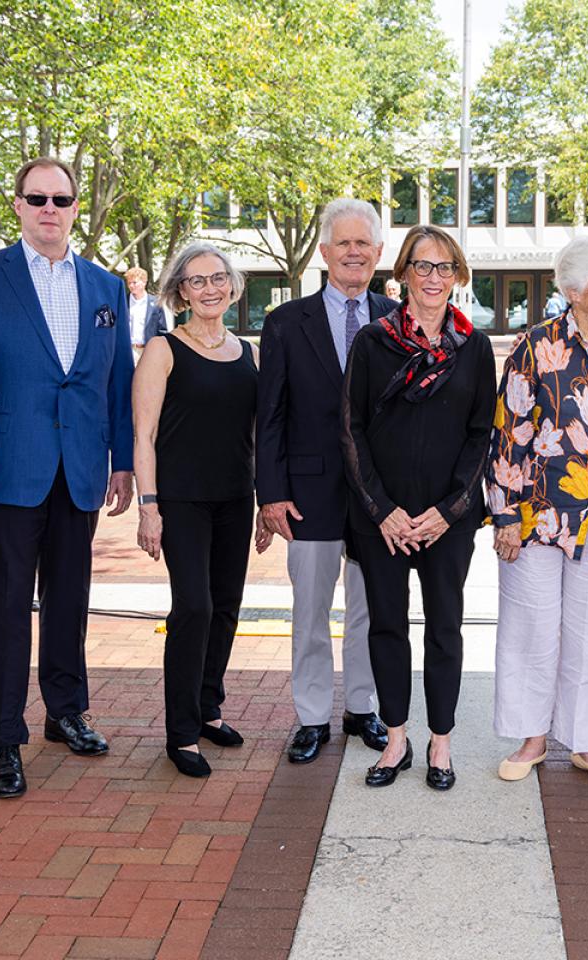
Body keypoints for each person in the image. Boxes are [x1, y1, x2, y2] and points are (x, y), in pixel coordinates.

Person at [0, 156, 135, 799]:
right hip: (8, 470)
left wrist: (125, 462)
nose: (49, 209)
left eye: (61, 199)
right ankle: (3, 738)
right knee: (4, 609)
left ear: (76, 207)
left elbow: (118, 382)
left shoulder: (107, 288)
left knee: (69, 602)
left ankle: (65, 710)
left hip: (81, 468)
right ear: (19, 206)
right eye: (37, 198)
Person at [488, 235, 588, 790]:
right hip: (538, 516)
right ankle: (532, 738)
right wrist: (505, 514)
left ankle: (586, 743)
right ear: (572, 290)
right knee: (532, 629)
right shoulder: (535, 346)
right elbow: (510, 432)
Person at [342, 224, 495, 790]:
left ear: (458, 277)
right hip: (380, 517)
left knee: (445, 628)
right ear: (403, 273)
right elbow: (351, 429)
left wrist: (449, 511)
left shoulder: (474, 348)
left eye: (445, 267)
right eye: (423, 266)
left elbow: (483, 436)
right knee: (385, 626)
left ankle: (441, 742)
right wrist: (381, 509)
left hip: (446, 521)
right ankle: (398, 738)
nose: (434, 278)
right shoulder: (373, 342)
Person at [257, 199, 392, 765]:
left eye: (364, 243)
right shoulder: (287, 322)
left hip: (378, 499)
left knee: (371, 608)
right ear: (324, 252)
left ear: (379, 253)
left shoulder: (398, 318)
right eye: (344, 243)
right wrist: (272, 493)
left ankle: (363, 707)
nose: (354, 252)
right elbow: (271, 415)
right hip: (308, 493)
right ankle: (311, 716)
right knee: (310, 610)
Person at [134, 243, 260, 778]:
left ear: (231, 286)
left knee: (228, 606)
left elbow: (255, 433)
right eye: (196, 281)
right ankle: (181, 732)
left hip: (236, 497)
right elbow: (143, 435)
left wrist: (265, 500)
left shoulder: (248, 351)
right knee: (195, 609)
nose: (209, 288)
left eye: (218, 278)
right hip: (181, 500)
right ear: (180, 291)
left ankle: (209, 708)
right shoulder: (164, 349)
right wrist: (148, 506)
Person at [126, 266, 168, 360]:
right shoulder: (123, 302)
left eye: (134, 282)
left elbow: (162, 331)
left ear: (144, 282)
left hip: (148, 351)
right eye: (129, 283)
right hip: (128, 351)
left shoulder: (156, 303)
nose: (131, 286)